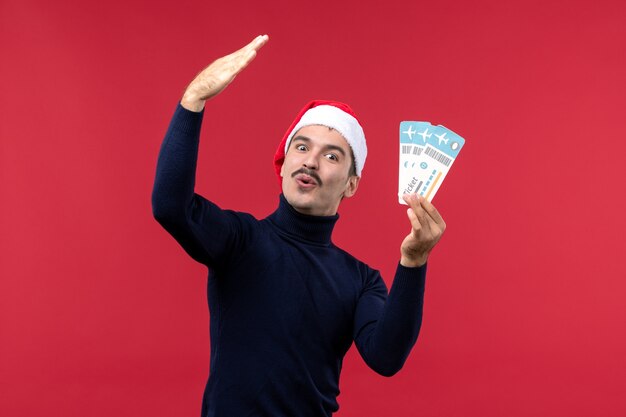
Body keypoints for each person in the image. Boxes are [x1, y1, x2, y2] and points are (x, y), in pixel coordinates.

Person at [152, 34, 446, 417]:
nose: (311, 162)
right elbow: (171, 207)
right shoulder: (241, 240)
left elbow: (385, 357)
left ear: (352, 184)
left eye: (332, 155)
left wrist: (415, 259)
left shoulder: (361, 281)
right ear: (285, 162)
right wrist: (194, 99)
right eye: (302, 147)